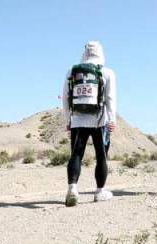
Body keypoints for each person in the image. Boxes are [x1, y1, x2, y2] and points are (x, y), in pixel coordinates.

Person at [62, 41, 117, 207]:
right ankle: (100, 191)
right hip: (99, 120)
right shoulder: (107, 72)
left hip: (77, 119)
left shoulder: (71, 71)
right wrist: (112, 119)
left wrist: (68, 120)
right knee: (101, 155)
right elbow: (110, 98)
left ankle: (72, 188)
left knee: (76, 154)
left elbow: (65, 97)